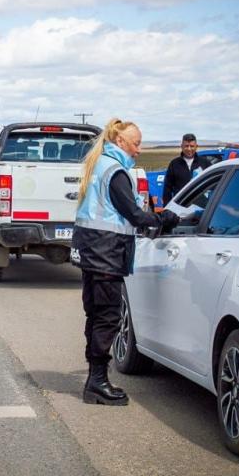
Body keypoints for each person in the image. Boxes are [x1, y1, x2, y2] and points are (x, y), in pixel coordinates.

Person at [72, 118, 179, 406]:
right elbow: (136, 216)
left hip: (91, 250)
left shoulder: (98, 165)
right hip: (106, 253)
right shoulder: (117, 172)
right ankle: (97, 381)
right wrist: (166, 218)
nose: (139, 149)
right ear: (121, 142)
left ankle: (95, 379)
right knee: (107, 317)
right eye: (136, 143)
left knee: (95, 315)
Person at [162, 132, 209, 206]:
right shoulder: (174, 164)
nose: (189, 149)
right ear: (181, 146)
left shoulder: (205, 163)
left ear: (196, 146)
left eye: (192, 146)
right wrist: (167, 208)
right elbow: (167, 189)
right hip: (180, 206)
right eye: (186, 146)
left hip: (201, 207)